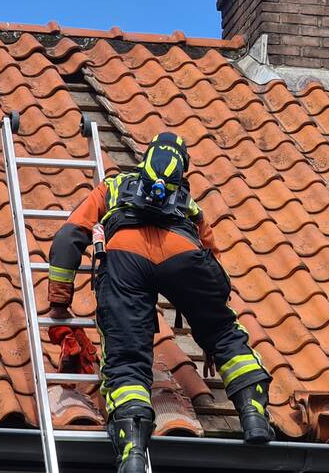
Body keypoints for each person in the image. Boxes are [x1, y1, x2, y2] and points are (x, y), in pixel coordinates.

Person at [46, 132, 273, 473]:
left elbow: (68, 237)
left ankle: (133, 452)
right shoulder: (189, 204)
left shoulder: (114, 187)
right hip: (184, 253)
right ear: (183, 169)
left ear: (145, 159)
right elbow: (213, 263)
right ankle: (253, 416)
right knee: (224, 333)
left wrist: (60, 299)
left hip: (125, 257)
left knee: (126, 358)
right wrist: (211, 312)